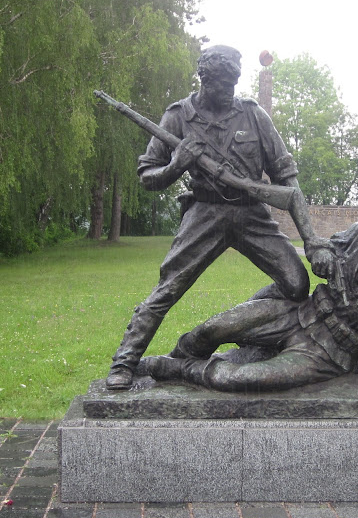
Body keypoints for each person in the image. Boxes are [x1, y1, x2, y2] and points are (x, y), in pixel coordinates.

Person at [106, 45, 321, 390]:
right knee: (169, 287)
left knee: (296, 283)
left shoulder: (253, 114)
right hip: (205, 213)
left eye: (233, 84)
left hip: (252, 213)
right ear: (205, 80)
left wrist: (310, 238)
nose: (229, 93)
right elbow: (148, 176)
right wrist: (177, 165)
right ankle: (124, 362)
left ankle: (251, 331)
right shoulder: (177, 115)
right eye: (222, 85)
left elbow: (286, 178)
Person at [145, 214, 358, 404]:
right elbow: (328, 245)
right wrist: (322, 254)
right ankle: (170, 360)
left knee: (236, 378)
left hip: (330, 352)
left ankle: (173, 369)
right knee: (212, 329)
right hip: (301, 311)